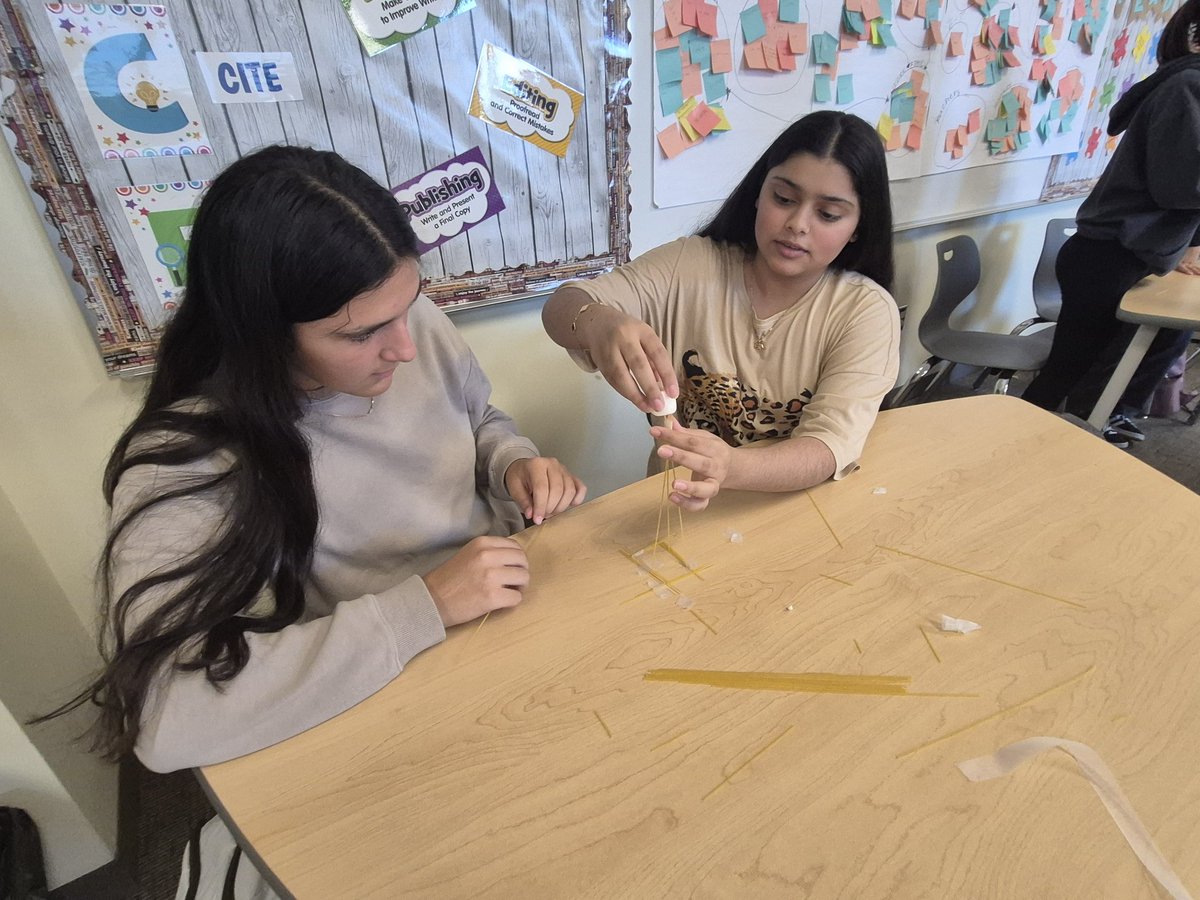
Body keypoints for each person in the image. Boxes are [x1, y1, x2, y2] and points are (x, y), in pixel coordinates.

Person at [40, 145, 585, 894]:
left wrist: (510, 461)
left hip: (498, 633)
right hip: (376, 696)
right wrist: (422, 606)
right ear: (262, 332)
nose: (404, 345)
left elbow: (479, 415)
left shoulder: (406, 321)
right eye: (359, 335)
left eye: (409, 305)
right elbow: (167, 719)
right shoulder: (189, 457)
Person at [542, 111, 900, 510]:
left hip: (794, 515)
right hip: (677, 508)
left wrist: (730, 466)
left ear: (857, 227)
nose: (798, 224)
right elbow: (563, 305)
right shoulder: (692, 265)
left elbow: (827, 447)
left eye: (828, 214)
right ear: (759, 193)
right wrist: (596, 322)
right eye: (783, 199)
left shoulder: (864, 311)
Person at [1021, 0, 1200, 443]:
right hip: (1107, 256)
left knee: (1154, 344)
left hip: (1124, 252)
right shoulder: (1188, 87)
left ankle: (1098, 428)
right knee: (1072, 372)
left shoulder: (1184, 84)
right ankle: (1018, 444)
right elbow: (1178, 187)